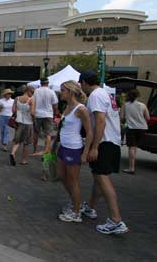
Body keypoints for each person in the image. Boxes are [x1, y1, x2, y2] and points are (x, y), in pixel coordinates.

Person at [79, 71, 129, 235]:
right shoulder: (105, 93)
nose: (80, 87)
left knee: (102, 178)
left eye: (81, 83)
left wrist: (94, 147)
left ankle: (116, 220)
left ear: (85, 82)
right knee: (99, 177)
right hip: (112, 141)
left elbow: (100, 121)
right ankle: (90, 207)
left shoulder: (95, 95)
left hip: (104, 142)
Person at [56, 81, 93, 223]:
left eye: (63, 90)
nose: (61, 93)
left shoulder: (81, 109)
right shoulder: (67, 107)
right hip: (63, 146)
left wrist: (85, 153)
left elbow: (89, 132)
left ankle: (76, 212)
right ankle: (74, 202)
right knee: (61, 176)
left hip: (74, 147)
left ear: (71, 91)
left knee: (73, 181)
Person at [120, 89, 149, 174]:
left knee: (131, 148)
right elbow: (148, 118)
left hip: (131, 128)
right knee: (135, 146)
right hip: (142, 128)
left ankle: (131, 168)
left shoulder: (125, 105)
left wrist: (126, 119)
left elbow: (121, 118)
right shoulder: (143, 105)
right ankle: (133, 164)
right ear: (137, 96)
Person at [31, 78, 59, 156]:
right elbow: (55, 105)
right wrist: (54, 113)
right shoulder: (51, 91)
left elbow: (33, 102)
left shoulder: (36, 91)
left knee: (36, 132)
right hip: (48, 114)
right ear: (48, 83)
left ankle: (34, 150)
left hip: (38, 114)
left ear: (40, 83)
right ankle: (46, 151)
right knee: (48, 134)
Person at [9, 86, 35, 166]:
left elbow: (13, 110)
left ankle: (13, 153)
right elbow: (32, 113)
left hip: (19, 122)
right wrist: (34, 119)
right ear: (28, 91)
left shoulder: (17, 98)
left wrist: (19, 112)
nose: (32, 94)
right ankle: (23, 160)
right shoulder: (31, 100)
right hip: (28, 123)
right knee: (26, 143)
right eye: (32, 92)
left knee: (17, 141)